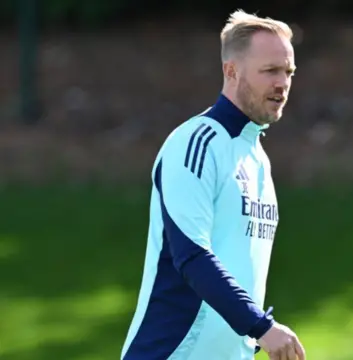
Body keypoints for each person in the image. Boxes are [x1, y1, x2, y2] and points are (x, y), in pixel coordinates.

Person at [120, 9, 305, 360]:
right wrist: (261, 326)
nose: (283, 83)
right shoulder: (197, 142)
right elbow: (191, 255)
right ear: (231, 71)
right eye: (270, 71)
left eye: (289, 72)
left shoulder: (258, 159)